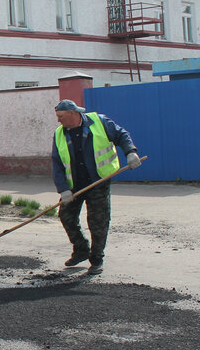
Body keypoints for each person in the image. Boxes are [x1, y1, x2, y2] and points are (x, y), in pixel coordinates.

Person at [51, 99, 141, 275]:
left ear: (72, 113)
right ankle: (81, 249)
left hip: (98, 182)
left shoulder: (99, 122)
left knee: (98, 222)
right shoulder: (59, 134)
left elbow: (122, 135)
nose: (58, 120)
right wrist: (63, 189)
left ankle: (97, 258)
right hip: (74, 186)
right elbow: (56, 163)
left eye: (61, 116)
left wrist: (130, 152)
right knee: (66, 216)